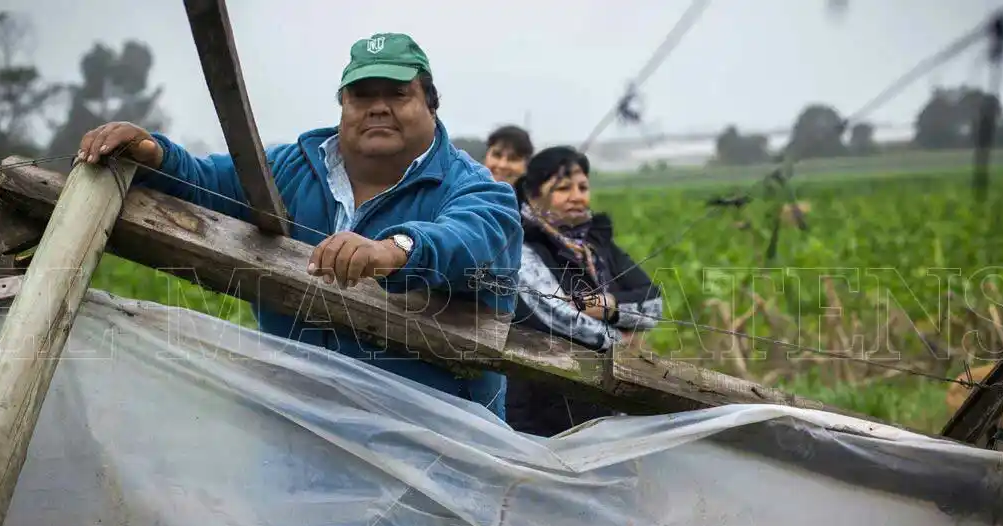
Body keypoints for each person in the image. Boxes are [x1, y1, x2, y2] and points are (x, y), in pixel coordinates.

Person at [75, 32, 523, 420]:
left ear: (430, 103)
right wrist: (155, 153)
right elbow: (204, 181)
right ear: (343, 106)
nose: (378, 108)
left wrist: (394, 250)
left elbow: (472, 233)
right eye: (362, 95)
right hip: (296, 428)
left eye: (397, 93)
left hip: (437, 447)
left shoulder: (474, 189)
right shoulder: (289, 168)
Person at [503, 145, 663, 436]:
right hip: (542, 405)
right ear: (533, 194)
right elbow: (557, 316)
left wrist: (608, 306)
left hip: (602, 401)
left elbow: (654, 305)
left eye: (583, 186)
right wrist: (621, 339)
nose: (577, 196)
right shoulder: (521, 247)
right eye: (563, 188)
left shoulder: (596, 245)